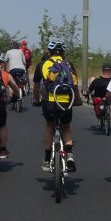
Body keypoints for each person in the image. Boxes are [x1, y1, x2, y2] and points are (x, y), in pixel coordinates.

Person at [39, 42, 81, 173]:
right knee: (66, 126)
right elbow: (74, 84)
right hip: (66, 102)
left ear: (50, 52)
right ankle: (69, 154)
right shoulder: (68, 64)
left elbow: (45, 81)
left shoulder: (46, 64)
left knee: (49, 125)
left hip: (50, 101)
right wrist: (77, 101)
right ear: (63, 53)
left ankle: (46, 159)